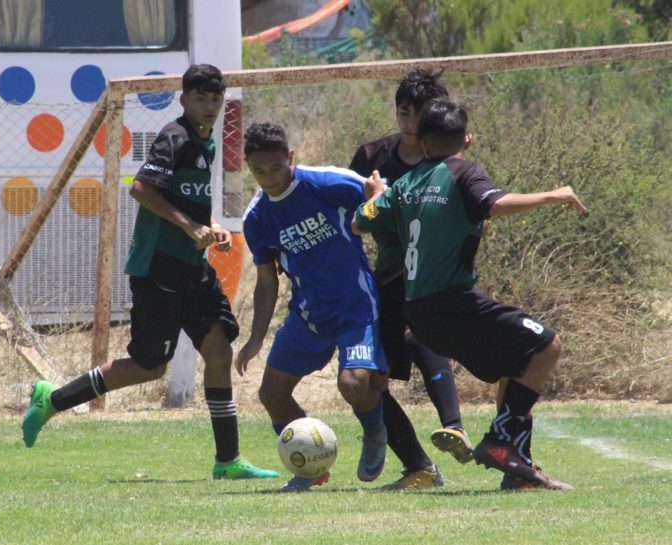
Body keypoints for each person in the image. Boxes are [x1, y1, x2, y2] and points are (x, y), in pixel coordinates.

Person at [21, 64, 278, 481]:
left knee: (217, 348)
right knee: (149, 366)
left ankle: (228, 460)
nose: (209, 106)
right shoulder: (174, 137)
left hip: (193, 267)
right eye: (200, 98)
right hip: (160, 268)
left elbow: (188, 200)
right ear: (184, 100)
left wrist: (208, 227)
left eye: (215, 99)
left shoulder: (205, 142)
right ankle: (53, 399)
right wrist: (189, 226)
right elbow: (141, 188)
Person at [353, 98, 586, 490]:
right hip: (452, 302)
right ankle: (499, 442)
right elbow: (495, 204)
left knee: (519, 364)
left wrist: (375, 194)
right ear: (468, 139)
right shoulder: (464, 172)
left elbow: (361, 222)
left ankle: (518, 470)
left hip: (419, 314)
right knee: (548, 345)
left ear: (422, 144)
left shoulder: (405, 184)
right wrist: (552, 194)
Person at [235, 122, 388, 492]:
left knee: (352, 385)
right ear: (249, 168)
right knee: (271, 394)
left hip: (355, 306)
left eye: (276, 168)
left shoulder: (325, 183)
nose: (269, 178)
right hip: (308, 315)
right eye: (259, 171)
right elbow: (267, 280)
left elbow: (379, 196)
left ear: (290, 157)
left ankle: (374, 433)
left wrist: (378, 197)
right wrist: (255, 338)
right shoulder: (257, 218)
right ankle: (311, 468)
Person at [348, 68, 471, 490]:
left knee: (423, 340)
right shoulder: (372, 157)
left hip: (433, 279)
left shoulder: (452, 165)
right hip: (383, 283)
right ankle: (418, 467)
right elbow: (350, 219)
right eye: (403, 114)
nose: (410, 125)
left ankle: (455, 428)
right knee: (365, 380)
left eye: (419, 117)